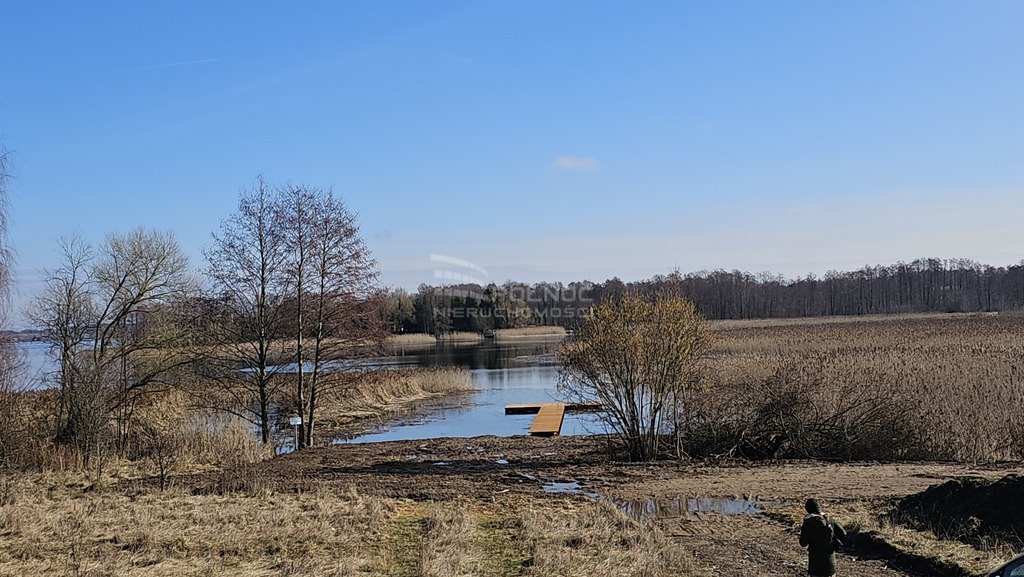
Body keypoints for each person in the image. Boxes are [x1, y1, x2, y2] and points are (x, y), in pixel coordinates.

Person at [799, 498, 847, 576]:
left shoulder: (808, 522)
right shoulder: (829, 519)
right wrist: (832, 540)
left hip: (815, 565)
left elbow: (803, 543)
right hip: (830, 563)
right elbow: (843, 533)